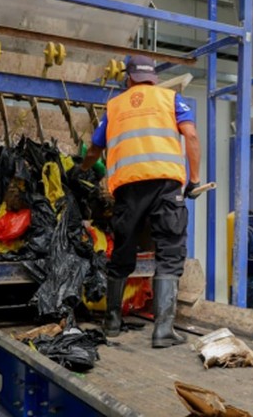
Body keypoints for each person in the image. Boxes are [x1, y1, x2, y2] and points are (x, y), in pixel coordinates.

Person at [81, 55, 201, 347]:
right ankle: (163, 330)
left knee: (122, 251)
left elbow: (95, 148)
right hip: (165, 184)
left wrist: (81, 172)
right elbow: (191, 136)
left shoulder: (115, 106)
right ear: (153, 78)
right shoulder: (171, 99)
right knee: (169, 251)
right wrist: (194, 180)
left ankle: (111, 322)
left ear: (129, 77)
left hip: (127, 189)